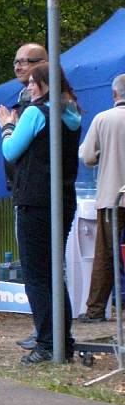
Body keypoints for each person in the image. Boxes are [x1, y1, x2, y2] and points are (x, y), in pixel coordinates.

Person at [0, 62, 81, 364]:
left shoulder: (35, 113)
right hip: (63, 198)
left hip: (34, 199)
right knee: (54, 272)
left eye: (34, 82)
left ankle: (46, 342)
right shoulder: (71, 113)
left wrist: (7, 126)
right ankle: (64, 341)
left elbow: (10, 151)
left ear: (46, 84)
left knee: (36, 275)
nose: (29, 87)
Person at [78, 73, 125, 322]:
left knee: (105, 254)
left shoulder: (102, 119)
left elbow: (87, 156)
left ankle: (95, 309)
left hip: (112, 198)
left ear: (114, 94)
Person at [4, 44, 48, 191]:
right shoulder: (22, 100)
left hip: (37, 190)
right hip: (23, 186)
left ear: (42, 63)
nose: (17, 67)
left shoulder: (40, 109)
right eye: (15, 62)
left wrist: (7, 127)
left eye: (23, 62)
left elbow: (11, 151)